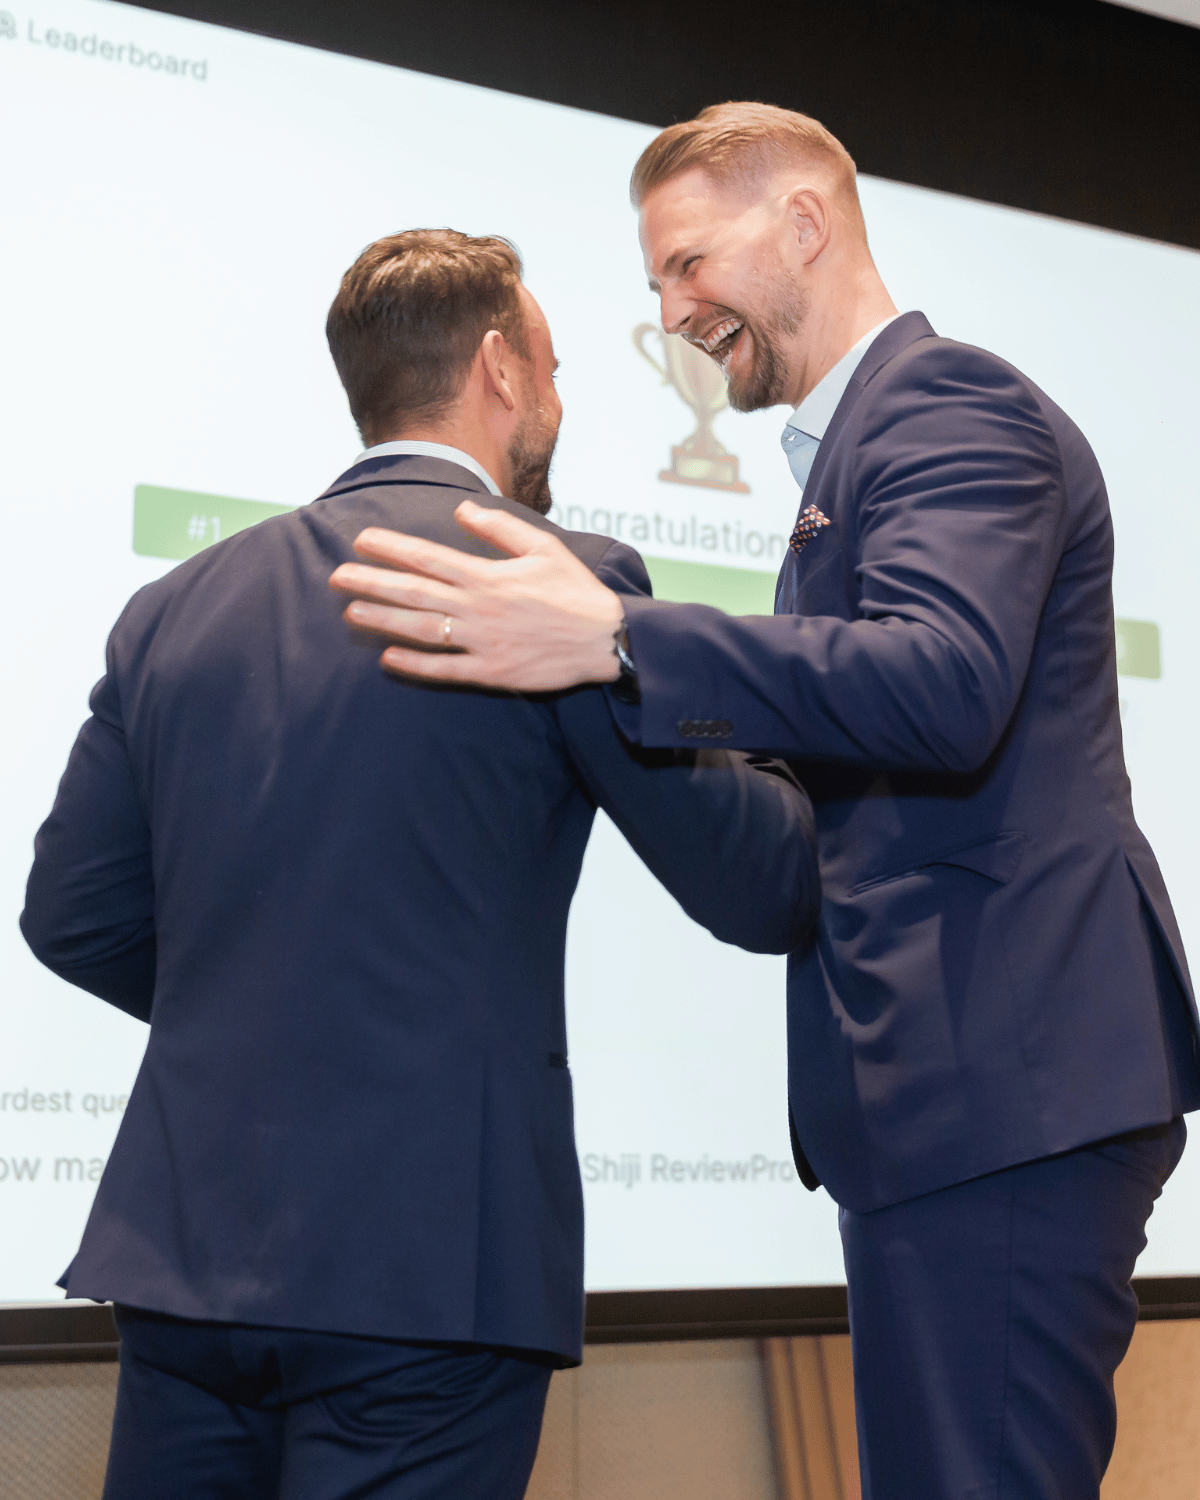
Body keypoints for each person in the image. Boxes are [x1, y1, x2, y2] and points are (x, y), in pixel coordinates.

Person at [328, 110, 1200, 1498]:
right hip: (964, 1095)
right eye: (656, 284)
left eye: (687, 264)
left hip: (1006, 1079)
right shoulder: (856, 455)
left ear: (804, 223)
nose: (673, 313)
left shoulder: (948, 404)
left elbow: (946, 682)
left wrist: (620, 638)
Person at [20, 227, 820, 1500]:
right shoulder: (552, 583)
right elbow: (760, 882)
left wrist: (254, 1013)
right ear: (499, 368)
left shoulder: (175, 605)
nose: (559, 400)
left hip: (185, 1256)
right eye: (553, 368)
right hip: (431, 1267)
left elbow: (74, 916)